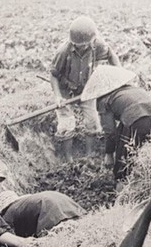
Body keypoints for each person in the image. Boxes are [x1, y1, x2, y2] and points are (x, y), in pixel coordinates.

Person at [50, 15, 122, 161]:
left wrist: (119, 74)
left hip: (87, 88)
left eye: (85, 44)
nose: (83, 47)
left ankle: (89, 156)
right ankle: (68, 160)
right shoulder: (63, 52)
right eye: (79, 45)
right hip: (66, 90)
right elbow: (53, 75)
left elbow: (111, 55)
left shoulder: (97, 44)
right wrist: (58, 97)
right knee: (67, 124)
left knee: (92, 122)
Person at [97, 83, 151, 181]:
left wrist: (109, 154)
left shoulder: (104, 101)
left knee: (125, 161)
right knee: (148, 157)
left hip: (138, 120)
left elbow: (110, 131)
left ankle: (121, 186)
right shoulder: (132, 89)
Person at [0, 189, 86, 237]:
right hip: (64, 202)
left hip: (49, 209)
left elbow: (10, 238)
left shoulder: (7, 215)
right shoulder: (23, 204)